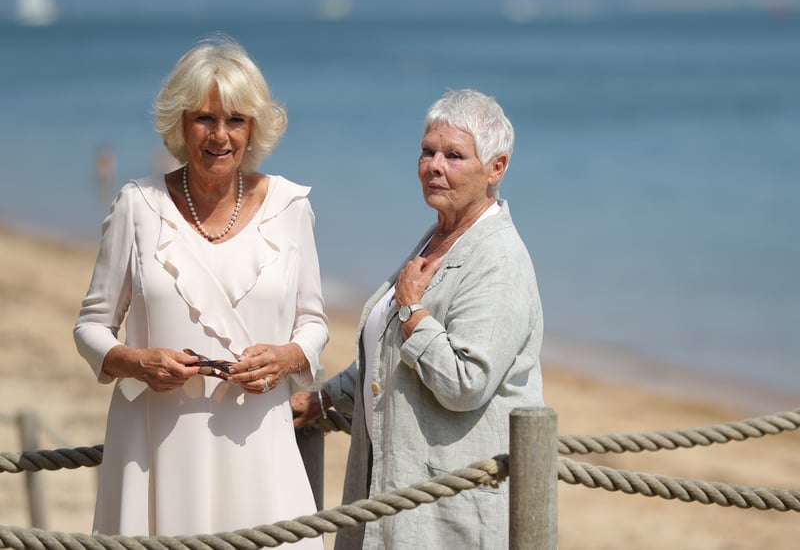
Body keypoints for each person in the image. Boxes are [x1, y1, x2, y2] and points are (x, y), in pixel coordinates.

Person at [74, 35, 329, 544]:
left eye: (235, 120)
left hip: (261, 443)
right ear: (180, 123)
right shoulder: (136, 206)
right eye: (204, 119)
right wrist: (137, 362)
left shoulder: (290, 207)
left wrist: (288, 357)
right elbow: (90, 328)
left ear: (253, 127)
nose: (220, 135)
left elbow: (315, 323)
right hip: (158, 449)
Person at [292, 88, 544, 550]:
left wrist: (411, 310)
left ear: (497, 168)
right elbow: (391, 360)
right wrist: (323, 401)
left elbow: (466, 382)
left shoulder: (499, 259)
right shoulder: (440, 237)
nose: (434, 166)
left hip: (447, 517)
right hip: (387, 494)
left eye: (454, 155)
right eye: (427, 152)